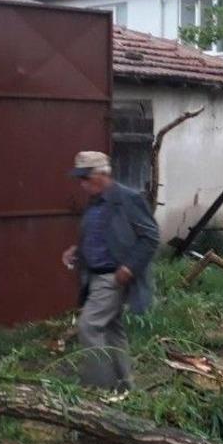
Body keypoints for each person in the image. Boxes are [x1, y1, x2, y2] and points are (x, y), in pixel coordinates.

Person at [62, 151, 159, 392]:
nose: (82, 184)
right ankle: (125, 387)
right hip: (94, 276)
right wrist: (78, 250)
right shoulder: (95, 203)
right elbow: (102, 237)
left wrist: (129, 266)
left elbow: (151, 236)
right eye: (80, 179)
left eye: (86, 178)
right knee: (113, 330)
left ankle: (99, 389)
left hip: (112, 277)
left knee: (89, 326)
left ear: (102, 174)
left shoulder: (128, 199)